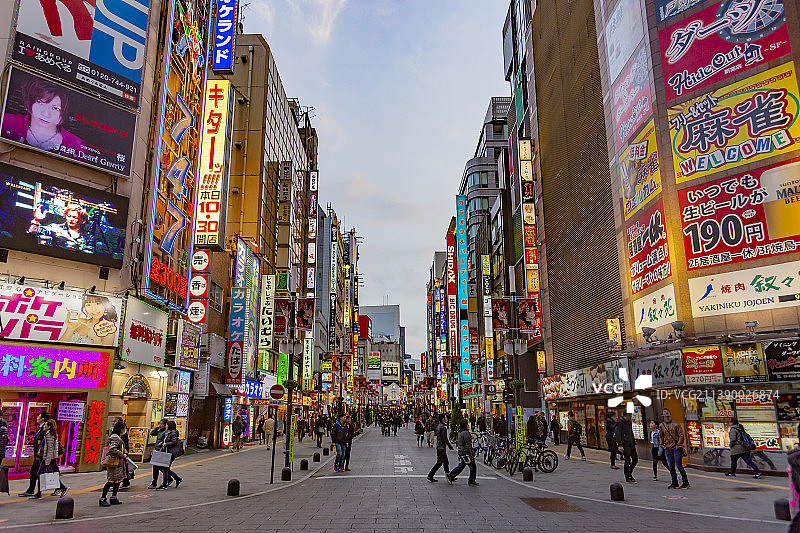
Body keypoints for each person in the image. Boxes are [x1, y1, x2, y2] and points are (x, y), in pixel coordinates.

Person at [1, 75, 85, 153]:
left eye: (55, 108)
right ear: (30, 102)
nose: (45, 114)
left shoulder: (77, 146)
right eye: (40, 102)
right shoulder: (5, 122)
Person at [32, 419, 68, 499]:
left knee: (41, 474)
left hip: (49, 459)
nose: (44, 426)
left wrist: (47, 460)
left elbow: (50, 449)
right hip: (49, 458)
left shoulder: (50, 435)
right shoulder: (48, 434)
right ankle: (60, 488)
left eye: (45, 425)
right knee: (48, 474)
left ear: (49, 427)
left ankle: (62, 487)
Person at [19, 411, 49, 498]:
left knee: (38, 473)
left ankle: (38, 492)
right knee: (34, 473)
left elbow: (45, 442)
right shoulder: (41, 428)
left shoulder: (44, 428)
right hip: (38, 456)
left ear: (42, 419)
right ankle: (31, 490)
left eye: (39, 416)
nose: (37, 417)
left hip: (40, 456)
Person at [659, 409, 690, 489]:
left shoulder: (676, 424)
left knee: (679, 465)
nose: (666, 413)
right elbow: (661, 436)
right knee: (671, 466)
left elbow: (681, 435)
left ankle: (685, 482)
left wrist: (678, 445)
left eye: (668, 412)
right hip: (667, 448)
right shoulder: (661, 425)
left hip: (676, 447)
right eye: (665, 412)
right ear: (662, 415)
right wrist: (662, 445)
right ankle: (674, 482)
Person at [99, 418, 127, 507]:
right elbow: (113, 449)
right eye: (124, 428)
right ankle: (103, 498)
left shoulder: (118, 437)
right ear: (121, 429)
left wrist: (125, 452)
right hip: (114, 463)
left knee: (117, 481)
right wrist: (122, 455)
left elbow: (120, 448)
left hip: (118, 464)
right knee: (111, 481)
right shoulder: (115, 437)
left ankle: (114, 497)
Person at [446, 419, 478, 486]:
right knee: (472, 466)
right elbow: (468, 444)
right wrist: (471, 452)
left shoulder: (460, 432)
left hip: (461, 451)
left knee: (462, 465)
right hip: (465, 452)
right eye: (467, 424)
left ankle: (451, 475)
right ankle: (471, 480)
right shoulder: (465, 433)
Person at [157, 420, 183, 490]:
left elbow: (174, 441)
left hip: (171, 453)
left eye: (166, 425)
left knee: (165, 468)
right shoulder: (168, 433)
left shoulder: (173, 433)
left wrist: (166, 444)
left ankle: (164, 484)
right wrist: (163, 442)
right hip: (167, 452)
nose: (165, 426)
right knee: (164, 468)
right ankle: (177, 479)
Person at [427, 414, 453, 482]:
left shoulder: (439, 426)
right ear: (443, 419)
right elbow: (445, 438)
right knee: (439, 463)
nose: (446, 419)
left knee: (445, 462)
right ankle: (430, 475)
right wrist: (450, 446)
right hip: (441, 447)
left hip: (439, 446)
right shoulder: (443, 427)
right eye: (445, 418)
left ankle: (449, 476)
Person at [615, 411, 638, 483]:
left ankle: (629, 473)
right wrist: (620, 445)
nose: (631, 416)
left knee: (635, 459)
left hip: (631, 443)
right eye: (630, 415)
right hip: (625, 444)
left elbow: (631, 432)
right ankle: (627, 476)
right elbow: (618, 434)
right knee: (627, 460)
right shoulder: (620, 422)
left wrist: (633, 440)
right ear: (626, 415)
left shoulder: (629, 422)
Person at [148, 419, 167, 489]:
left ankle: (154, 482)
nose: (160, 425)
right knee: (158, 467)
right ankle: (172, 478)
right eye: (160, 424)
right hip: (157, 450)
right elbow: (152, 433)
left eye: (161, 424)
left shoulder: (165, 432)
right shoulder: (159, 431)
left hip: (161, 451)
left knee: (159, 467)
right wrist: (157, 427)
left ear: (165, 425)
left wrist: (162, 443)